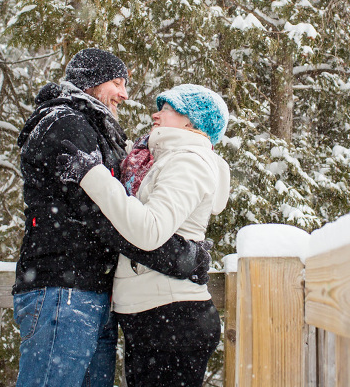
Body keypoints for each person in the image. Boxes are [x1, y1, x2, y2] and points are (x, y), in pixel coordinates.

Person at [13, 50, 212, 387]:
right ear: (91, 82)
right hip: (64, 290)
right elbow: (102, 215)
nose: (125, 94)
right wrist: (181, 257)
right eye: (117, 83)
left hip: (91, 290)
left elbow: (117, 210)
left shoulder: (95, 128)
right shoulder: (65, 122)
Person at [57, 84, 231, 387]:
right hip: (154, 316)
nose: (155, 114)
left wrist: (92, 175)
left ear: (191, 121)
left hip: (173, 317)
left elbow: (149, 230)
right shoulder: (161, 159)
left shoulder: (188, 160)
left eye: (166, 109)